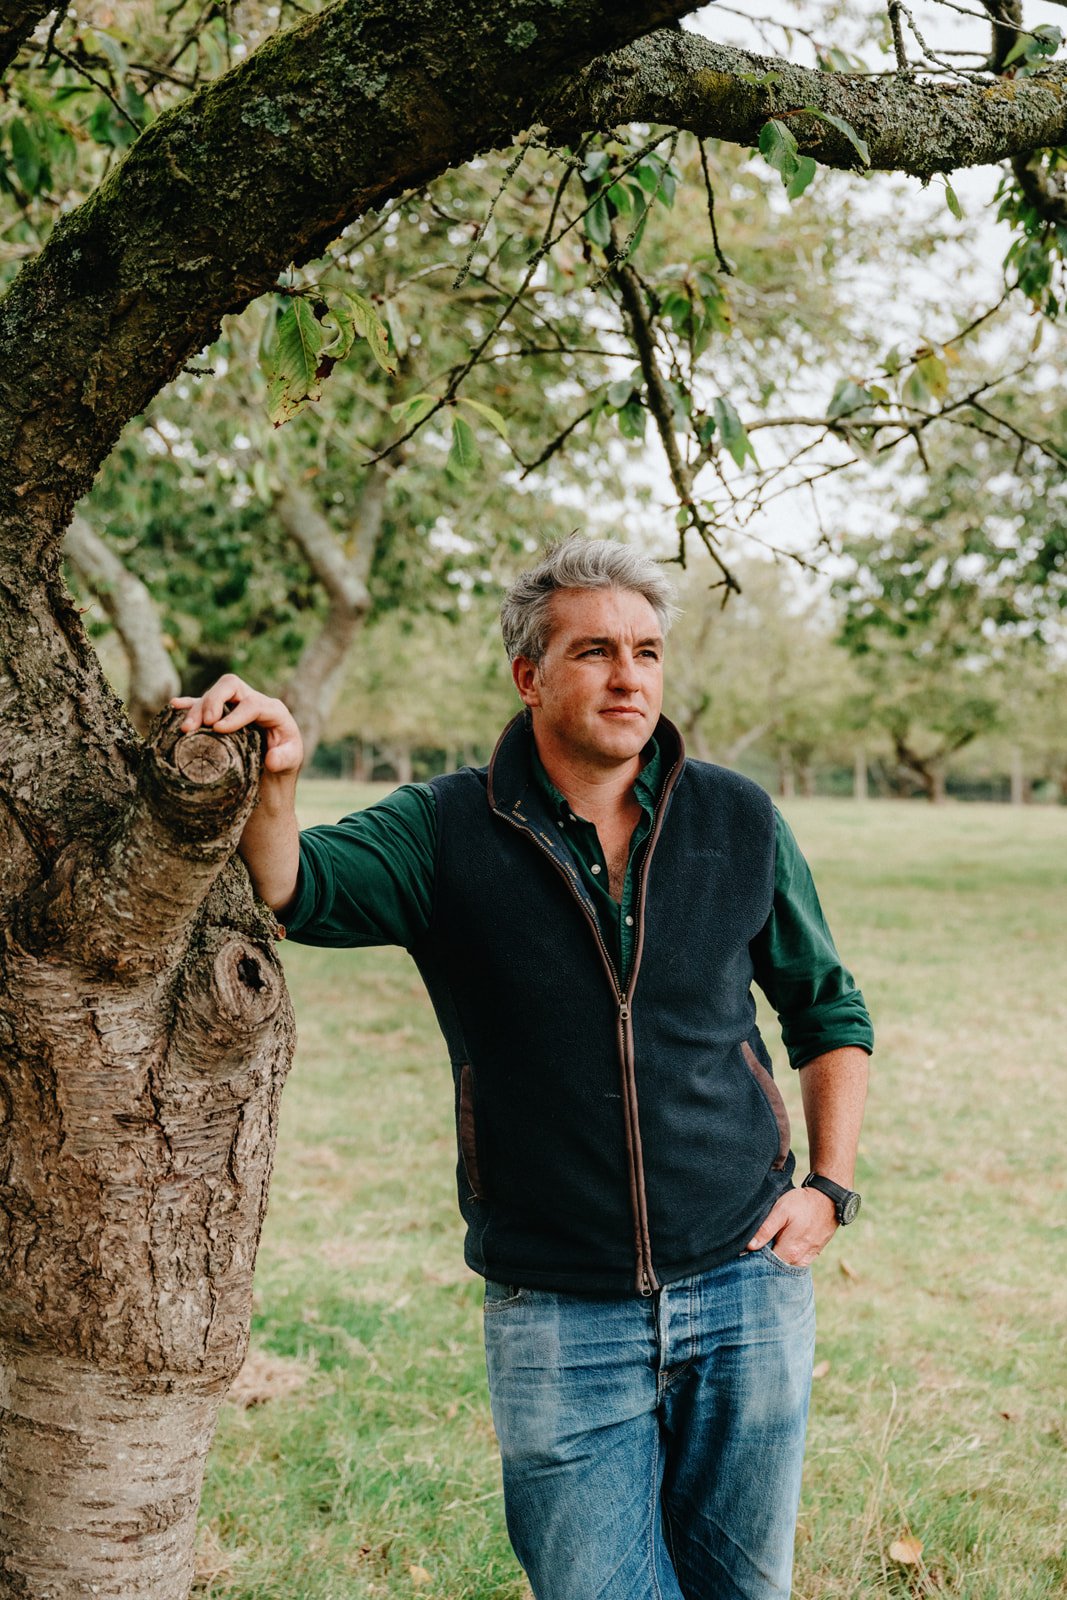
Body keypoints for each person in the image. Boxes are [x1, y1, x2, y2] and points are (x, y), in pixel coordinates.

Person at [174, 536, 873, 1600]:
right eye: (594, 651)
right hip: (557, 1314)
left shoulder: (737, 817)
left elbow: (825, 1007)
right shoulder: (444, 828)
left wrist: (827, 1186)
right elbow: (292, 886)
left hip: (745, 1286)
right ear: (528, 676)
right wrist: (275, 779)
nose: (628, 676)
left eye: (645, 651)